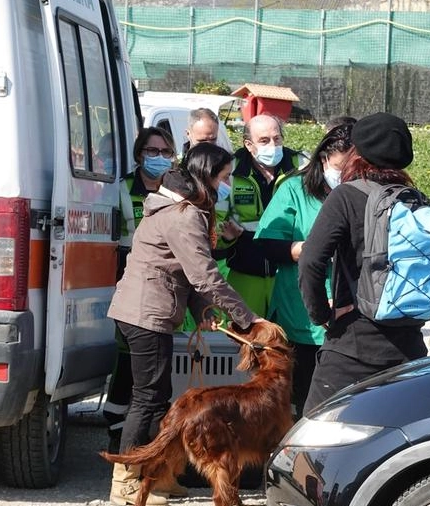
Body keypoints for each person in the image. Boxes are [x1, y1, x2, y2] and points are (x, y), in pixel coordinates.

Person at [298, 112, 430, 414]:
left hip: (350, 349)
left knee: (311, 440)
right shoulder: (417, 201)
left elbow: (311, 260)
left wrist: (321, 314)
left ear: (357, 152)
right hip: (407, 351)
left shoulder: (346, 197)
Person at [106, 142, 264, 505]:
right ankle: (127, 479)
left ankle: (159, 476)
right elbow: (204, 275)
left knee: (158, 398)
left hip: (150, 309)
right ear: (207, 175)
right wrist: (247, 319)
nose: (226, 185)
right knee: (147, 399)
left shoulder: (178, 207)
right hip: (147, 312)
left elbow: (183, 273)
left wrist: (203, 311)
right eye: (223, 177)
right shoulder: (184, 213)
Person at [254, 121, 355, 418]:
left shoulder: (361, 189)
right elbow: (266, 244)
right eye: (340, 167)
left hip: (350, 312)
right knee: (303, 401)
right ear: (324, 158)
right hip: (301, 312)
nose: (344, 175)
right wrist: (303, 250)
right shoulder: (294, 189)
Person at [102, 126, 175, 462]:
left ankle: (143, 443)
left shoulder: (173, 189)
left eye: (165, 152)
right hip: (128, 284)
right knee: (128, 366)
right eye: (152, 151)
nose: (159, 157)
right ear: (139, 154)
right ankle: (118, 437)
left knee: (153, 378)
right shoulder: (123, 189)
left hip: (162, 286)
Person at [218, 114, 304, 316]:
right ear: (249, 144)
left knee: (288, 340)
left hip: (289, 274)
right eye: (264, 141)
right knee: (244, 337)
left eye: (277, 139)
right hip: (244, 273)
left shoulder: (301, 166)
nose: (272, 145)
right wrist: (226, 237)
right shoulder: (231, 170)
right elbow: (215, 222)